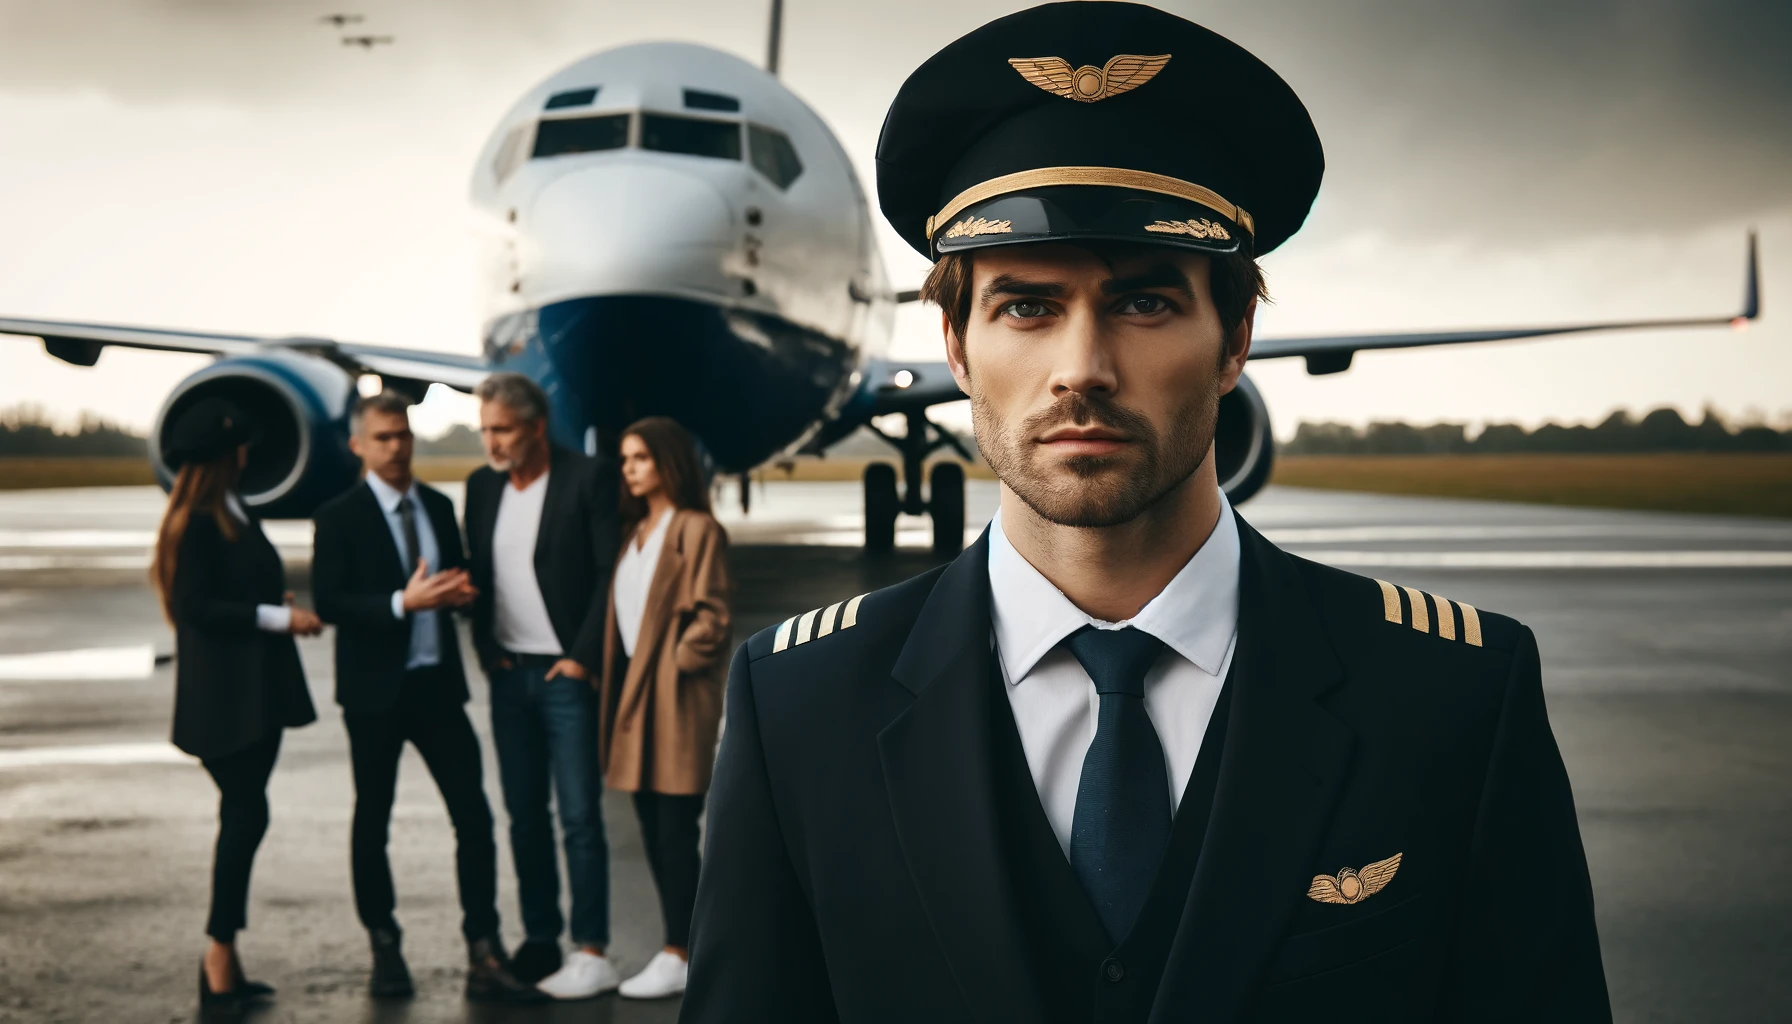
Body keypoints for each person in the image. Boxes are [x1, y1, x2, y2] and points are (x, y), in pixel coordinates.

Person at [681, 5, 1612, 1023]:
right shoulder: (798, 705)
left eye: (1144, 303)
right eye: (1027, 306)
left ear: (1234, 340)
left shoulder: (1454, 699)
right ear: (954, 345)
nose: (1081, 369)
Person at [311, 392, 545, 1005]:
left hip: (438, 687)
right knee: (373, 822)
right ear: (358, 446)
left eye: (404, 435)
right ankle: (385, 947)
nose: (397, 448)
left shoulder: (440, 507)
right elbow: (330, 600)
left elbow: (460, 571)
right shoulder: (339, 515)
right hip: (373, 695)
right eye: (384, 438)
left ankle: (483, 950)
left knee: (474, 817)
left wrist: (462, 593)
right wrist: (400, 603)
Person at [150, 396, 321, 1016]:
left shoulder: (231, 509)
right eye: (241, 446)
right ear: (228, 456)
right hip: (227, 703)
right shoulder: (200, 518)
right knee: (245, 818)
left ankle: (225, 958)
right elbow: (198, 607)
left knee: (246, 816)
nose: (250, 452)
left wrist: (266, 605)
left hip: (252, 695)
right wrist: (278, 615)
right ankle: (218, 957)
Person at [464, 373, 622, 1000]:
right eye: (484, 430)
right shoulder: (481, 486)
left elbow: (610, 571)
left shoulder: (586, 477)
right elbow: (474, 572)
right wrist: (485, 649)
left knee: (580, 817)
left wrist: (583, 659)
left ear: (534, 427)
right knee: (524, 817)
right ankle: (539, 939)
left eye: (501, 429)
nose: (491, 442)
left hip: (564, 674)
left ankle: (591, 949)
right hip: (509, 676)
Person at [597, 417, 732, 1000]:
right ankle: (679, 945)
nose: (627, 468)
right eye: (625, 458)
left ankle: (682, 951)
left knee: (676, 826)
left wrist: (678, 659)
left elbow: (714, 614)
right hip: (632, 695)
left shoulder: (696, 529)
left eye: (640, 458)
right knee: (651, 823)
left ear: (668, 463)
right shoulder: (637, 533)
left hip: (673, 696)